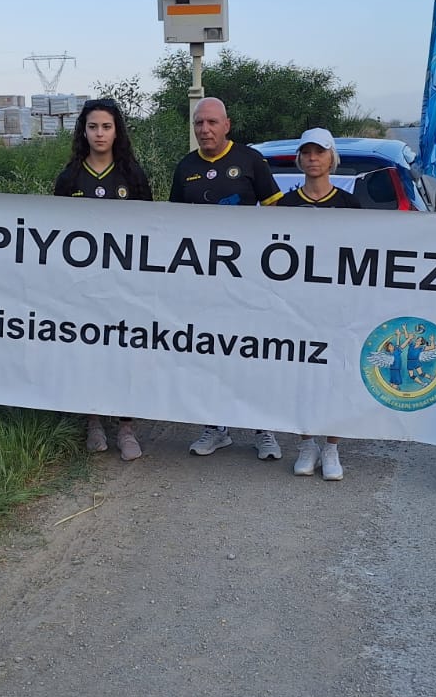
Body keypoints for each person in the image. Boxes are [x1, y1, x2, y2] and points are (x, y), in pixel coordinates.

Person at [168, 96, 284, 460]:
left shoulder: (251, 160)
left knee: (253, 352)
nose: (204, 129)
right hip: (202, 281)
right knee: (209, 353)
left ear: (227, 125)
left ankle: (263, 428)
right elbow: (172, 225)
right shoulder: (185, 167)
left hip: (248, 279)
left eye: (212, 122)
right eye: (199, 123)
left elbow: (280, 217)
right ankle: (215, 427)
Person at [53, 97, 154, 460]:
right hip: (83, 285)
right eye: (93, 126)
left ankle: (126, 426)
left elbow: (150, 230)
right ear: (83, 131)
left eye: (106, 127)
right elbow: (55, 231)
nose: (99, 133)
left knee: (125, 352)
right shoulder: (69, 177)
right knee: (88, 350)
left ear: (116, 132)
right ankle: (93, 421)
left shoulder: (133, 176)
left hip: (124, 284)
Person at [275, 127, 358, 480]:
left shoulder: (350, 205)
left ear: (331, 157)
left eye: (320, 152)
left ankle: (332, 446)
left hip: (337, 305)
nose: (313, 158)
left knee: (335, 375)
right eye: (307, 152)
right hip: (297, 306)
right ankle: (306, 443)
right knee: (303, 375)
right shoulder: (285, 205)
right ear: (299, 158)